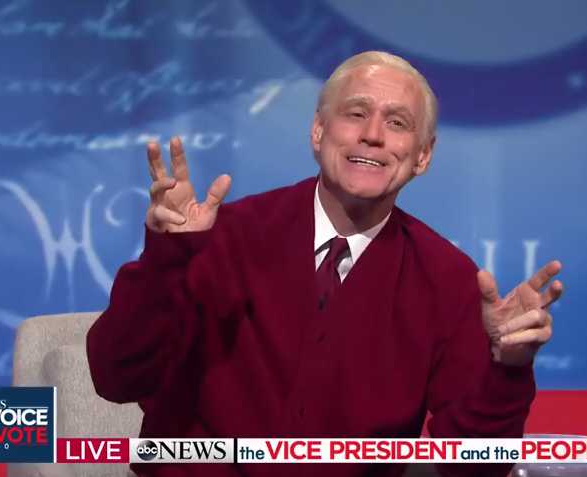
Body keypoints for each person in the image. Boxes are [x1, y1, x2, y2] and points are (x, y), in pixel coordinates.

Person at [87, 51, 563, 477]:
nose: (372, 135)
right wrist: (167, 259)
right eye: (356, 114)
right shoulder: (220, 238)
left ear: (422, 156)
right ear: (318, 131)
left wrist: (508, 368)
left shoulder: (448, 279)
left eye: (397, 123)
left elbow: (472, 468)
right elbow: (115, 378)